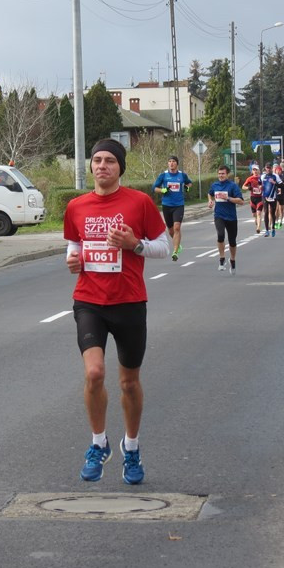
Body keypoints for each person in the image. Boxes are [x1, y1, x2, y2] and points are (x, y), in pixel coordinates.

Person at [64, 139, 171, 486]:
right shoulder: (76, 206)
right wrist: (72, 259)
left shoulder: (139, 202)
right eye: (97, 160)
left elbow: (164, 246)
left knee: (129, 382)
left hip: (129, 302)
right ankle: (99, 443)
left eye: (110, 160)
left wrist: (134, 245)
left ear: (120, 167)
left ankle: (132, 447)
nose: (102, 166)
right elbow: (74, 244)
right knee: (94, 373)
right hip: (89, 301)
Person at [152, 155, 193, 260]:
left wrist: (187, 188)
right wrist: (162, 190)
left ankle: (175, 251)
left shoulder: (182, 175)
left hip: (179, 205)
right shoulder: (163, 175)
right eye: (169, 161)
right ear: (168, 163)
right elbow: (154, 188)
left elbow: (189, 183)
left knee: (177, 228)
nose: (171, 163)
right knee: (170, 230)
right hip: (167, 205)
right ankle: (177, 244)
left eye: (173, 161)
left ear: (177, 164)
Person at [207, 165, 244, 274]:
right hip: (219, 215)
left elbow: (241, 201)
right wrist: (210, 201)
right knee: (220, 235)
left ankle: (232, 260)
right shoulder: (215, 185)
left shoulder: (232, 186)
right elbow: (210, 193)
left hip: (231, 217)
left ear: (227, 174)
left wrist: (228, 198)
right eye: (219, 174)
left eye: (223, 174)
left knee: (232, 241)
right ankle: (222, 259)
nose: (221, 175)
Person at [241, 164, 264, 234]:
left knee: (259, 213)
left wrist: (263, 187)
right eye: (254, 170)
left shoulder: (262, 178)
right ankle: (256, 220)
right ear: (252, 171)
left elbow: (266, 186)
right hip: (253, 198)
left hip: (260, 198)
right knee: (254, 214)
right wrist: (248, 188)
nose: (255, 171)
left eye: (256, 170)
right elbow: (243, 187)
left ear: (259, 171)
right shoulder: (250, 179)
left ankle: (258, 228)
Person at [261, 163, 282, 237]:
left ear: (272, 168)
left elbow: (281, 185)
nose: (268, 169)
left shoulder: (275, 176)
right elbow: (259, 184)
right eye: (267, 168)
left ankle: (273, 228)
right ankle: (267, 230)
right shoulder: (263, 176)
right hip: (265, 196)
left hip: (273, 196)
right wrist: (260, 187)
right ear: (265, 168)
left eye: (269, 168)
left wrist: (274, 183)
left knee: (272, 213)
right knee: (266, 212)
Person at [271, 163, 284, 228]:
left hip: (282, 195)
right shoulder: (274, 177)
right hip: (276, 195)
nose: (278, 171)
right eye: (277, 170)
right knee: (276, 209)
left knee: (281, 209)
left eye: (279, 170)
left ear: (281, 171)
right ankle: (276, 221)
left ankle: (281, 221)